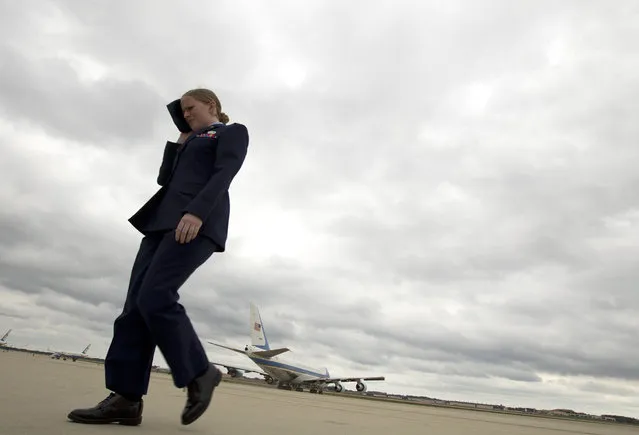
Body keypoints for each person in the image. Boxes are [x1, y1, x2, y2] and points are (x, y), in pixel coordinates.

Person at [67, 88, 249, 426]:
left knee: (155, 297)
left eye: (190, 107)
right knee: (133, 309)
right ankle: (126, 398)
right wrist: (180, 143)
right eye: (182, 110)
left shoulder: (230, 131)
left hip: (194, 222)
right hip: (160, 224)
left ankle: (200, 373)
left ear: (210, 104)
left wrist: (196, 212)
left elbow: (225, 172)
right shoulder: (191, 139)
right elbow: (164, 180)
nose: (186, 113)